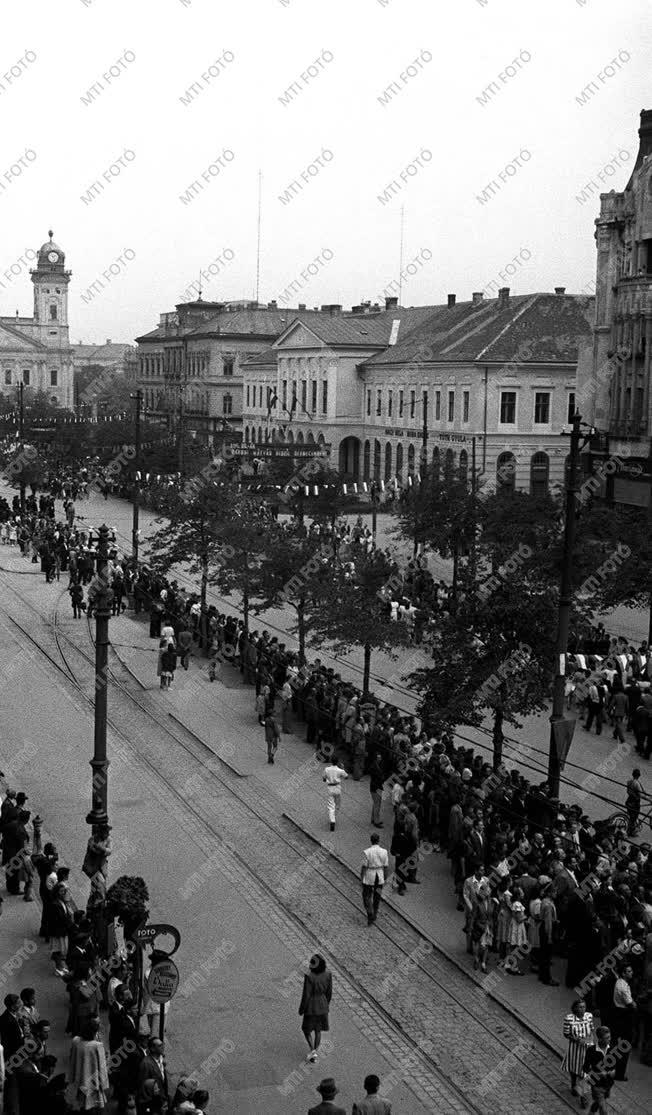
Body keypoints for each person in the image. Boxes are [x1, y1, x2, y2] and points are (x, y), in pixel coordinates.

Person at [68, 1017, 109, 1113]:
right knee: (93, 1108)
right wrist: (104, 1084)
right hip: (93, 1083)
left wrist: (72, 1077)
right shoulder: (97, 1046)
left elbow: (72, 1059)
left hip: (80, 1080)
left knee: (81, 1105)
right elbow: (102, 1068)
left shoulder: (76, 1041)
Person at [299, 954, 332, 1063]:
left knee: (306, 1030)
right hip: (322, 1005)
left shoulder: (309, 975)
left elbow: (306, 994)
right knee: (318, 1030)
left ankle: (313, 1051)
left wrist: (302, 1008)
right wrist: (326, 1004)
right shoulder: (328, 974)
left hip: (311, 1006)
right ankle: (315, 1052)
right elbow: (329, 992)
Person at [561, 998, 594, 1100]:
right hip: (575, 1048)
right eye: (580, 1007)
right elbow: (566, 1034)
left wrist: (589, 1041)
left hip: (587, 1048)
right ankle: (573, 1084)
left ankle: (582, 1094)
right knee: (574, 1068)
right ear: (575, 1008)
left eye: (584, 1007)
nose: (582, 1009)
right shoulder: (569, 1019)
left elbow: (592, 1030)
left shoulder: (589, 1016)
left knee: (585, 1072)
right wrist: (575, 1039)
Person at [610, 964, 636, 1081]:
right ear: (624, 973)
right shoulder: (623, 988)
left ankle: (610, 1067)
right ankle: (619, 1073)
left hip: (616, 1014)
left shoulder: (619, 982)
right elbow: (632, 1005)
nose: (632, 973)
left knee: (615, 1042)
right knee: (625, 1045)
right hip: (624, 1016)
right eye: (629, 971)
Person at [583, 1026, 616, 1114]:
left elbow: (617, 1066)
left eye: (610, 1037)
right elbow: (585, 1068)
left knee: (598, 1102)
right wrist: (598, 1074)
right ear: (600, 1039)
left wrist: (614, 1071)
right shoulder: (591, 1050)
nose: (609, 1039)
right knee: (604, 1109)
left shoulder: (613, 1049)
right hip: (597, 1084)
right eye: (607, 1038)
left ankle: (591, 1112)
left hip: (608, 1084)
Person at [360, 833, 389, 926]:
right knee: (377, 897)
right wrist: (385, 877)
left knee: (366, 896)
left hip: (370, 876)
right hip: (379, 876)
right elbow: (386, 866)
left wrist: (361, 877)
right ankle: (375, 913)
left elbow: (364, 866)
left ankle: (370, 913)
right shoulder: (384, 852)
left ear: (371, 840)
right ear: (378, 840)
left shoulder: (367, 852)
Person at [138, 1037, 168, 1109]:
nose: (163, 1047)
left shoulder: (161, 1060)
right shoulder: (146, 1063)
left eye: (162, 1044)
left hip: (162, 1102)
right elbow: (144, 1087)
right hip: (153, 1105)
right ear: (152, 1049)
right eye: (160, 1045)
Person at [322, 759, 348, 832]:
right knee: (338, 804)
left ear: (331, 761)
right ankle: (334, 817)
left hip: (330, 788)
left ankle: (332, 820)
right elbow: (346, 777)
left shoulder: (326, 769)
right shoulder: (340, 770)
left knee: (330, 805)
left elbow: (324, 779)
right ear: (337, 762)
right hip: (337, 788)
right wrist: (342, 768)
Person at [368, 756, 385, 827]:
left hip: (375, 786)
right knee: (377, 804)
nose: (380, 759)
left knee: (376, 803)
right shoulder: (375, 767)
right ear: (376, 758)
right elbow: (379, 777)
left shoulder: (375, 766)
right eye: (379, 758)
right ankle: (376, 821)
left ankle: (373, 818)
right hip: (376, 787)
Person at [625, 769, 642, 836]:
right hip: (635, 803)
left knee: (631, 816)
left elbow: (628, 791)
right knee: (634, 817)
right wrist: (648, 798)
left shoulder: (629, 781)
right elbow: (641, 794)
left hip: (629, 801)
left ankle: (631, 829)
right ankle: (631, 832)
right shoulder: (637, 783)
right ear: (639, 775)